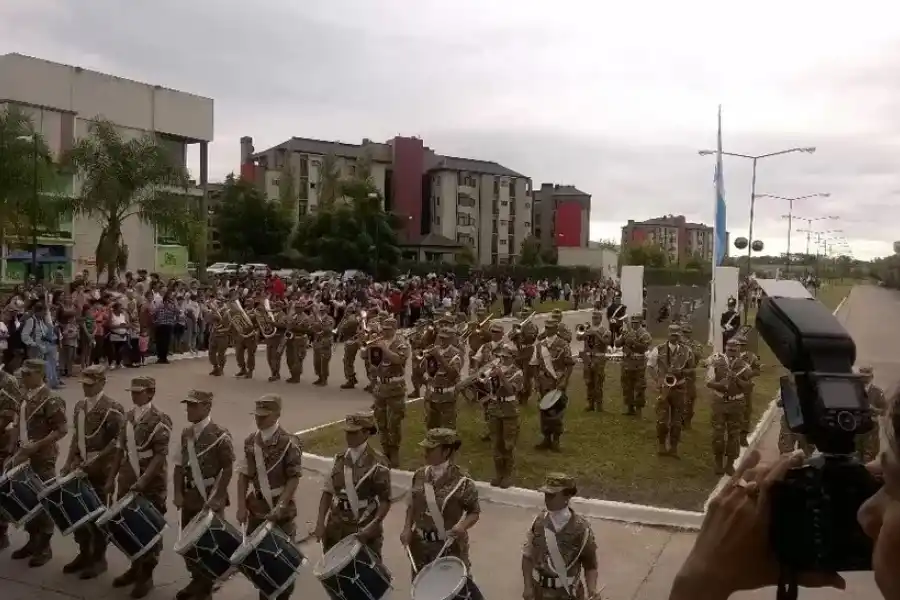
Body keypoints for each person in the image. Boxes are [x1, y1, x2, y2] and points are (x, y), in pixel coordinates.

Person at [106, 376, 172, 598]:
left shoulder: (161, 419)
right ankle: (135, 568)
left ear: (151, 393)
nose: (134, 395)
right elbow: (119, 450)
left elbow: (160, 456)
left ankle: (146, 576)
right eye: (132, 391)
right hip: (127, 479)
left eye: (139, 392)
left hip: (151, 483)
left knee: (149, 529)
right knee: (128, 526)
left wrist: (144, 480)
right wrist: (111, 477)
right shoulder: (127, 417)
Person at [235, 394, 303, 600]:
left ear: (277, 415)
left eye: (264, 416)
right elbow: (243, 476)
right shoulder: (250, 441)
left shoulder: (288, 442)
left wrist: (281, 504)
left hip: (280, 510)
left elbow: (293, 478)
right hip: (257, 508)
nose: (259, 419)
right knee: (260, 559)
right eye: (257, 415)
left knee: (282, 560)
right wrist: (240, 505)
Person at [61, 365, 125, 579]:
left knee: (97, 516)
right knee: (78, 513)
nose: (86, 389)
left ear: (102, 383)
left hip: (100, 469)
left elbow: (119, 441)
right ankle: (84, 552)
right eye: (84, 385)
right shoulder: (80, 406)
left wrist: (98, 459)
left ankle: (99, 558)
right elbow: (76, 437)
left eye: (90, 385)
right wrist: (69, 460)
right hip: (79, 467)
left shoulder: (112, 409)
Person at [173, 389, 234, 600]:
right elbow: (179, 466)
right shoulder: (186, 434)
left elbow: (227, 468)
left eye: (194, 405)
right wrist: (177, 492)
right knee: (189, 544)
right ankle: (196, 580)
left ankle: (205, 589)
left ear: (207, 407)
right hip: (189, 496)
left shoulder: (220, 435)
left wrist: (218, 497)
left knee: (209, 546)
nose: (189, 409)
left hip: (209, 497)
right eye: (188, 405)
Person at [10, 358, 67, 567]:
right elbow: (17, 424)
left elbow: (61, 430)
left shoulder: (51, 399)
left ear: (40, 375)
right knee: (26, 501)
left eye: (28, 374)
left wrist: (38, 445)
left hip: (42, 458)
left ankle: (44, 547)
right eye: (23, 374)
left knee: (43, 500)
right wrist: (11, 449)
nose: (23, 377)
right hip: (23, 454)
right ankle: (32, 540)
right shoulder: (24, 396)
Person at [400, 429, 480, 574]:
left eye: (431, 449)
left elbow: (474, 511)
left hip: (448, 548)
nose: (425, 453)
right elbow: (412, 505)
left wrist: (462, 526)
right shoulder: (419, 475)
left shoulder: (462, 481)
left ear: (446, 451)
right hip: (420, 547)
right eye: (425, 448)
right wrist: (407, 528)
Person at [314, 412, 392, 558]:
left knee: (366, 573)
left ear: (366, 432)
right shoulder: (339, 459)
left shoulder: (378, 463)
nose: (349, 437)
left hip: (363, 525)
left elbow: (385, 500)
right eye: (347, 432)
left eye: (354, 433)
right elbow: (327, 492)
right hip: (336, 526)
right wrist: (320, 522)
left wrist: (373, 525)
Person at [521, 473, 601, 600]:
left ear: (567, 496)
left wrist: (592, 590)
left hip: (568, 594)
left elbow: (590, 565)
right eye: (546, 495)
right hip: (539, 593)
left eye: (552, 495)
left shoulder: (581, 529)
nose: (547, 499)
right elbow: (527, 556)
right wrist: (527, 586)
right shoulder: (539, 522)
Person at [647, 324, 695, 458]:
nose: (674, 337)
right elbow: (650, 366)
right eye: (672, 334)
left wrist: (682, 371)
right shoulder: (659, 349)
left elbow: (692, 370)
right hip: (664, 389)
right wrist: (658, 380)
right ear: (668, 334)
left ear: (680, 335)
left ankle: (674, 448)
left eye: (677, 334)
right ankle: (662, 445)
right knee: (662, 420)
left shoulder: (687, 351)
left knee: (677, 421)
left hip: (679, 388)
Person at [706, 339, 752, 475]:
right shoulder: (716, 363)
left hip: (736, 404)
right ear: (725, 348)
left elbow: (748, 387)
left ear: (739, 350)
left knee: (734, 435)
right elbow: (708, 382)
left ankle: (730, 464)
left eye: (735, 349)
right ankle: (718, 462)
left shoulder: (745, 366)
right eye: (730, 349)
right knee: (718, 435)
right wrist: (720, 385)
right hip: (720, 402)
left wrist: (737, 380)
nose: (732, 351)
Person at [371, 317, 410, 467]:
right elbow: (364, 356)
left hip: (395, 389)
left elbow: (399, 360)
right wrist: (368, 346)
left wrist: (384, 349)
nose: (384, 331)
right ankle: (385, 450)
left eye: (388, 328)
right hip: (380, 388)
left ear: (394, 329)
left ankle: (394, 453)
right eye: (384, 328)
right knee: (381, 422)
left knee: (394, 423)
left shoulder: (401, 343)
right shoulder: (378, 341)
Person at [531, 320, 575, 452]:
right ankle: (546, 438)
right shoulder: (540, 345)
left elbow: (569, 364)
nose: (548, 330)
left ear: (556, 329)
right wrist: (537, 382)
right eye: (546, 328)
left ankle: (556, 439)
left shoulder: (563, 344)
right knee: (544, 410)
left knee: (557, 411)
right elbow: (534, 364)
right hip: (544, 382)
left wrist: (564, 381)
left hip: (557, 382)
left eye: (551, 328)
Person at [485, 344, 524, 488]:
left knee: (508, 444)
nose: (502, 359)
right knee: (496, 443)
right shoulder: (495, 370)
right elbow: (488, 389)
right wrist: (488, 379)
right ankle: (498, 473)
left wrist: (501, 376)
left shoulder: (518, 373)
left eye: (506, 357)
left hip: (509, 411)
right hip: (495, 408)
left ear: (513, 358)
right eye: (501, 356)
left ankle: (507, 475)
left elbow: (511, 390)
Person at [421, 328, 463, 430]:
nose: (442, 341)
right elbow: (428, 373)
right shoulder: (434, 350)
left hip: (447, 397)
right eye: (441, 338)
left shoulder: (456, 354)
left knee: (447, 430)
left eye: (446, 338)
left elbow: (453, 375)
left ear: (452, 339)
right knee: (431, 428)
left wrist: (439, 357)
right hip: (432, 396)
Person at [0, 368, 21, 550]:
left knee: (2, 490)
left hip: (2, 444)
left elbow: (10, 414)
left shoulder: (9, 382)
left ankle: (1, 532)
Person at [579, 310, 611, 412]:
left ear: (601, 319)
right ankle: (590, 404)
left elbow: (606, 342)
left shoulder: (605, 330)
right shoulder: (588, 329)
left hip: (599, 358)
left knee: (598, 381)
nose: (594, 320)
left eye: (596, 318)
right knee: (589, 381)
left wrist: (596, 334)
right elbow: (578, 337)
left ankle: (599, 405)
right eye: (593, 318)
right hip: (588, 358)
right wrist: (585, 333)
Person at [619, 314, 651, 417]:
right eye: (632, 323)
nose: (633, 325)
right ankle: (630, 408)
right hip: (627, 363)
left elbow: (645, 348)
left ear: (640, 323)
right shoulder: (627, 332)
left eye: (636, 323)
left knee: (639, 387)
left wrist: (633, 342)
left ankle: (638, 410)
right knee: (627, 386)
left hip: (638, 364)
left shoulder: (644, 334)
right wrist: (623, 337)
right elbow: (617, 344)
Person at [856, 365, 886, 462]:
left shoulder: (877, 392)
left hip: (871, 429)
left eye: (866, 377)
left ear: (871, 377)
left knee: (868, 457)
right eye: (862, 376)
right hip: (856, 428)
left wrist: (873, 409)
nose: (864, 379)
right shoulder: (853, 390)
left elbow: (884, 411)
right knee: (854, 456)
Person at [736, 335, 761, 446]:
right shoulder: (729, 356)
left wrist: (749, 374)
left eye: (742, 345)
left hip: (745, 388)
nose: (741, 347)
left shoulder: (751, 357)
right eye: (738, 345)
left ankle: (743, 436)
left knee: (746, 411)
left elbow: (757, 371)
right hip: (732, 388)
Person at [311, 304, 335, 386]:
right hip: (317, 341)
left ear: (327, 311)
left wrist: (320, 324)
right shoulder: (316, 318)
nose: (322, 312)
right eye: (320, 310)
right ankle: (320, 377)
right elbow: (312, 328)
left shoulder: (329, 319)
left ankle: (324, 379)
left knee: (324, 362)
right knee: (316, 362)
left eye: (323, 310)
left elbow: (328, 329)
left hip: (325, 342)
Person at [205, 301, 231, 376]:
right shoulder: (213, 312)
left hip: (222, 336)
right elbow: (208, 320)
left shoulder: (227, 313)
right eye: (218, 302)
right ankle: (215, 367)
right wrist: (212, 312)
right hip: (213, 335)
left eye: (221, 302)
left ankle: (221, 369)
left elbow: (228, 325)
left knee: (221, 354)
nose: (219, 304)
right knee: (211, 353)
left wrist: (219, 314)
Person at [338, 305, 361, 389]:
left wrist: (343, 320)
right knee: (348, 360)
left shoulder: (351, 320)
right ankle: (351, 377)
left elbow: (341, 329)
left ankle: (351, 379)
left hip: (351, 341)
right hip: (353, 340)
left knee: (347, 361)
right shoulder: (355, 317)